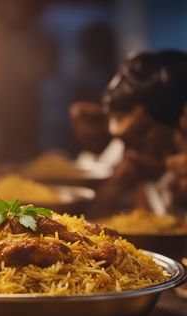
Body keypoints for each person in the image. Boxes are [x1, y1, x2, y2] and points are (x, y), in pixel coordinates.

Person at [71, 50, 187, 215]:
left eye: (144, 135)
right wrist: (114, 188)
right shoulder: (125, 153)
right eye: (124, 141)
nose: (132, 153)